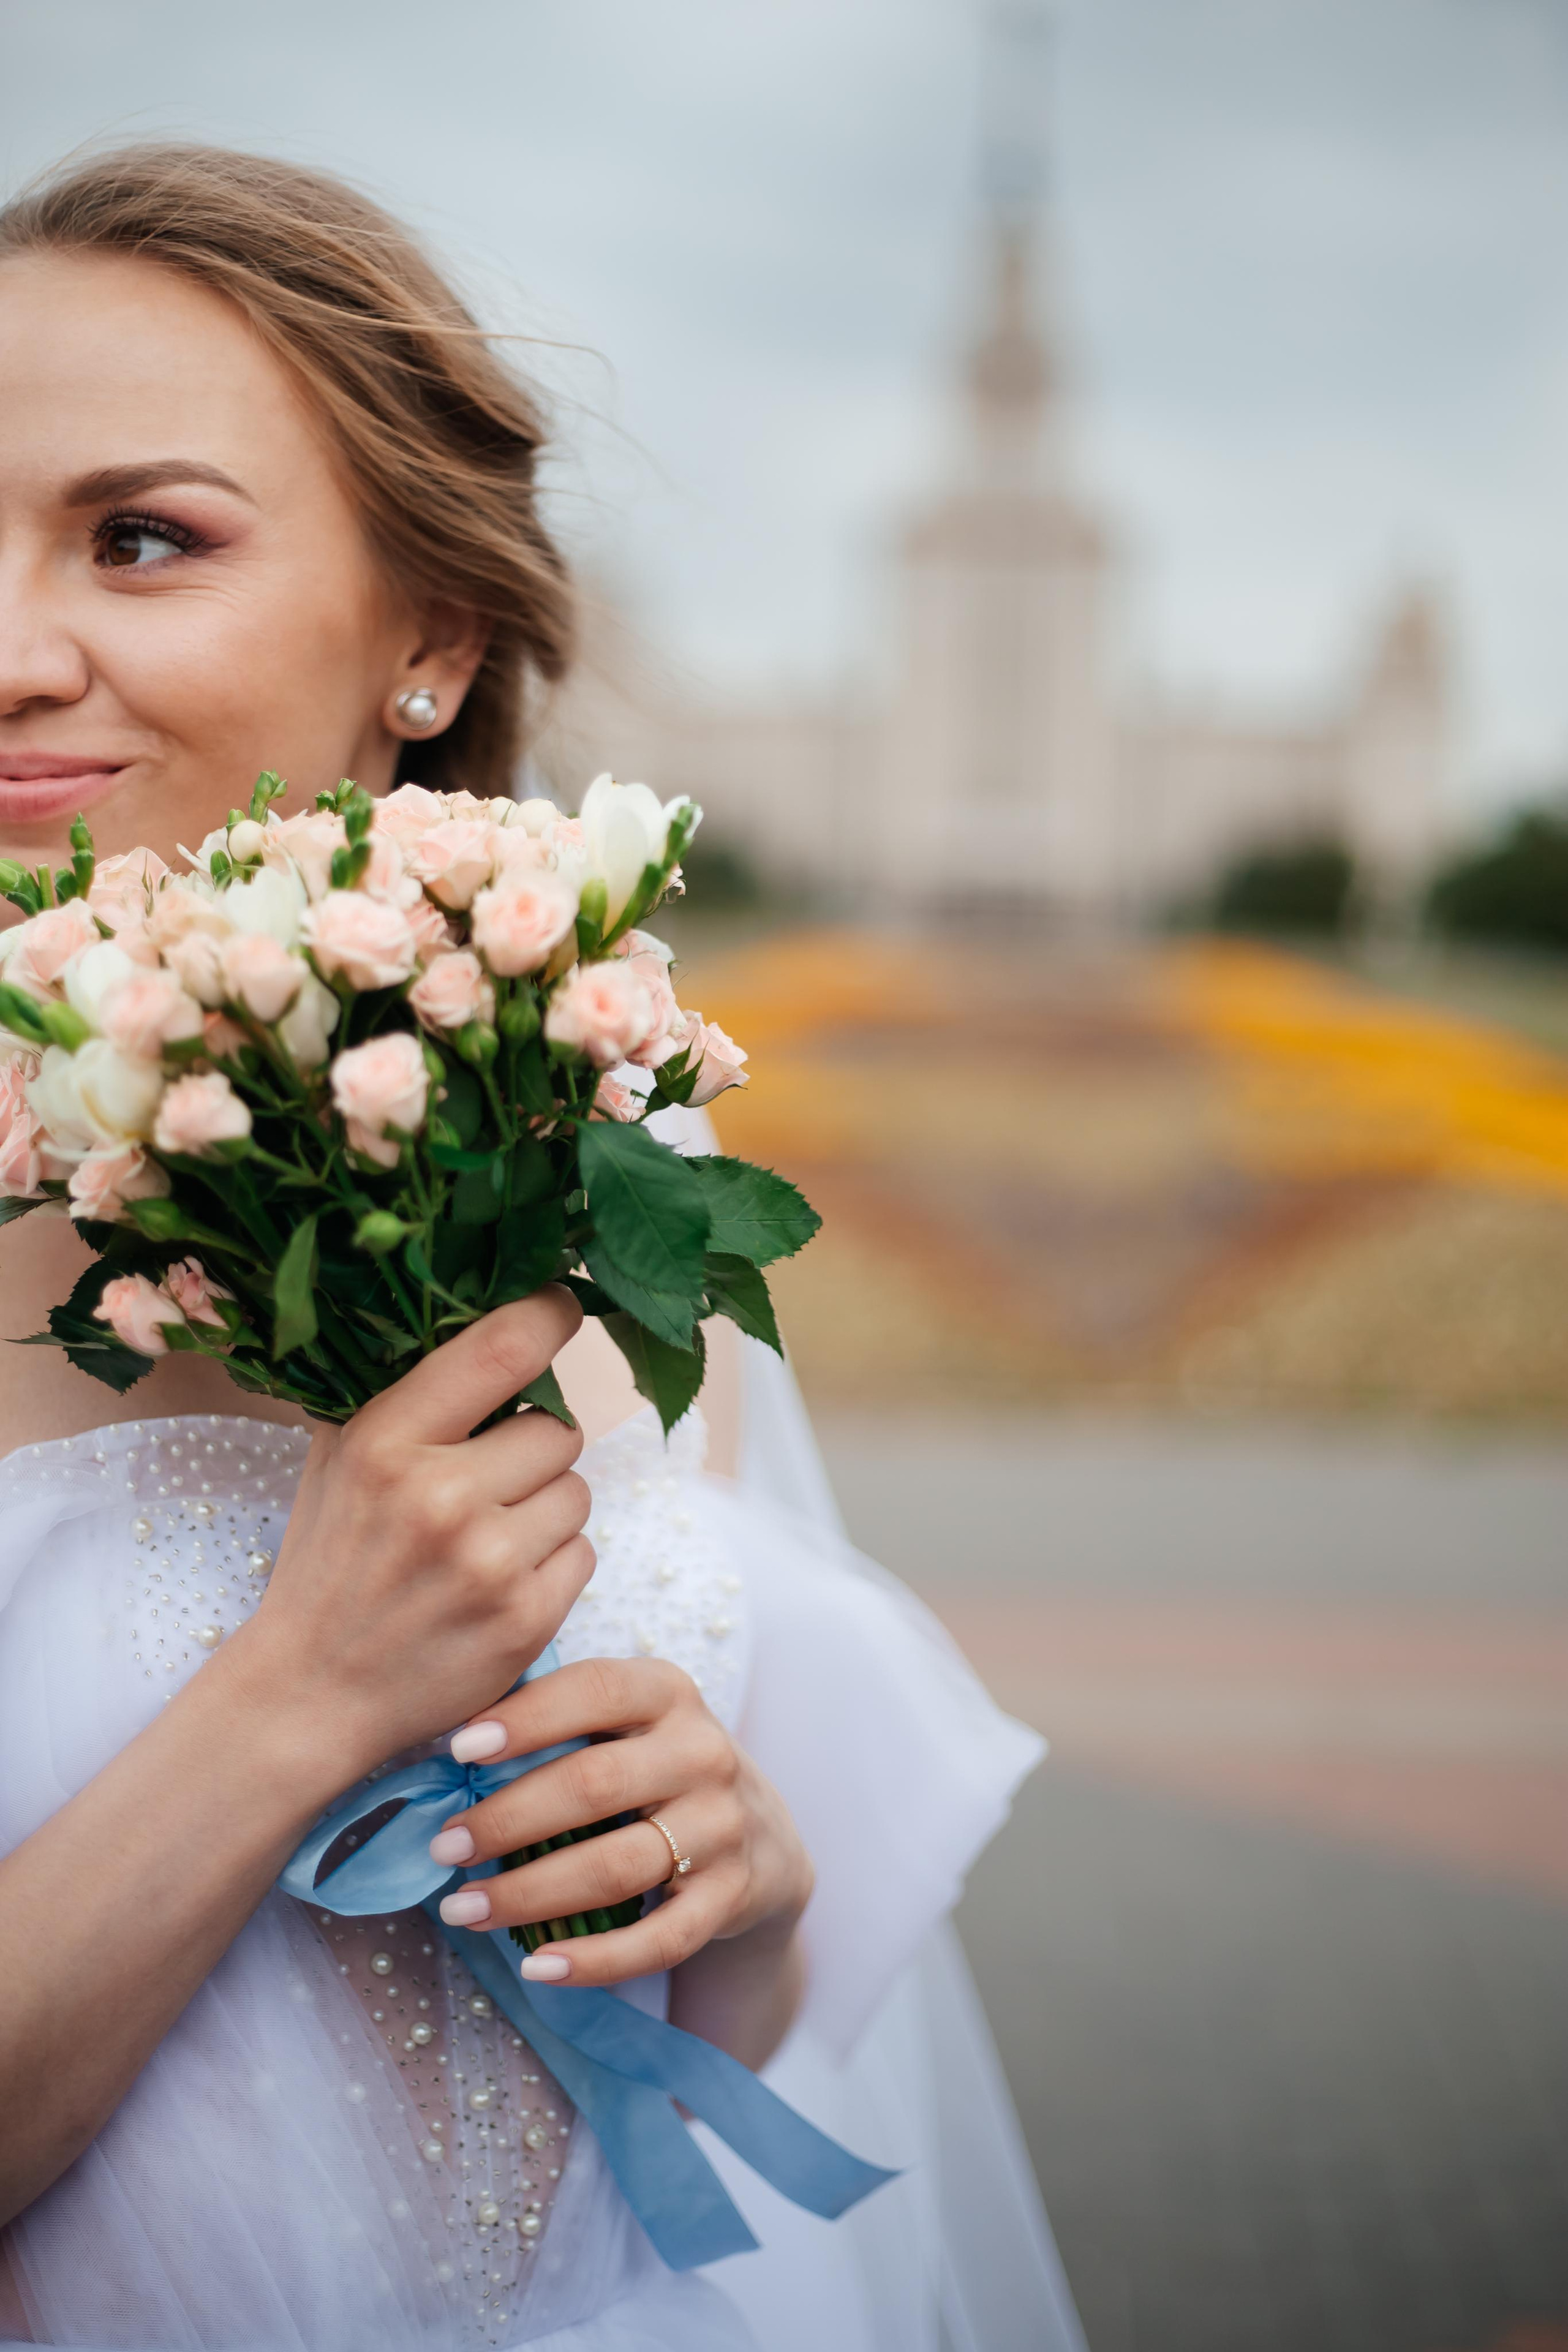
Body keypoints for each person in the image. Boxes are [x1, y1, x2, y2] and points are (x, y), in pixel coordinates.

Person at [0, 145, 1087, 2352]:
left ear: (432, 637)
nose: (14, 652)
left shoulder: (587, 1132)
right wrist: (301, 1701)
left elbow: (699, 2066)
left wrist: (736, 1889)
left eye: (139, 538)